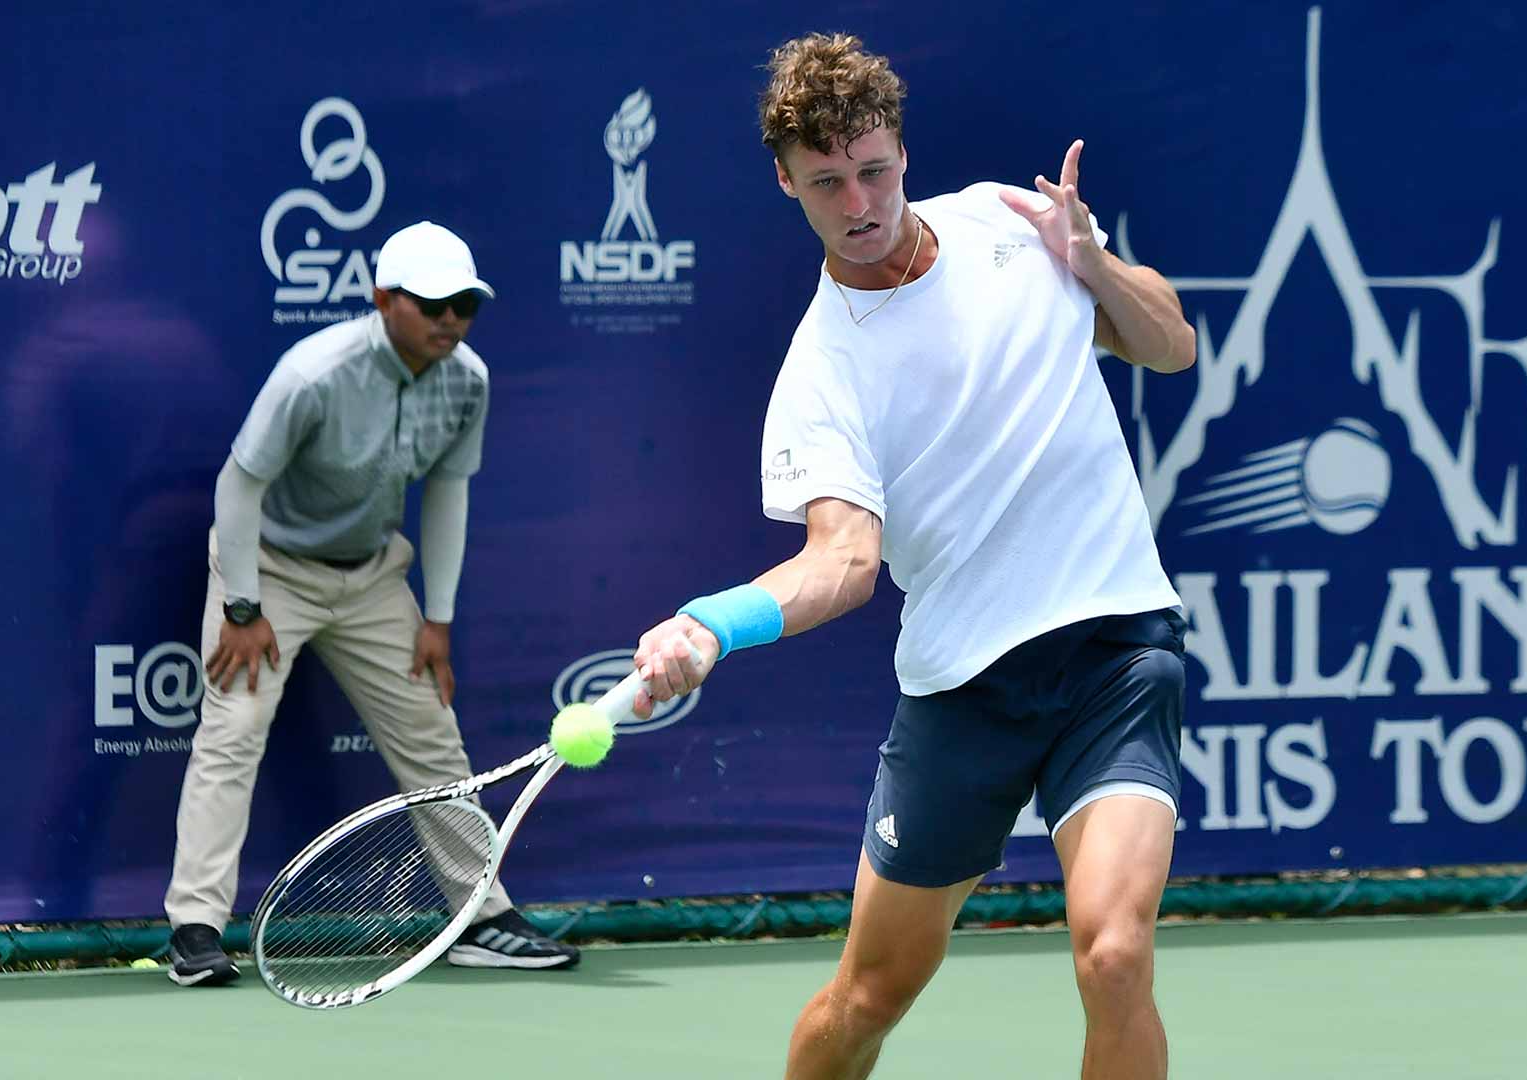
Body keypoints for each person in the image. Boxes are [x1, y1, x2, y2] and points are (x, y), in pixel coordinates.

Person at [628, 33, 1198, 1080]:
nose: (860, 203)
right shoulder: (823, 371)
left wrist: (1092, 261)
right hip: (964, 695)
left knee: (1115, 954)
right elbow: (845, 560)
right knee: (866, 999)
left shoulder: (1013, 225)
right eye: (827, 183)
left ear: (902, 146)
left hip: (1115, 656)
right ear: (788, 184)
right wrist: (713, 622)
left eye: (875, 169)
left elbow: (1170, 344)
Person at [162, 221, 580, 986]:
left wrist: (439, 619)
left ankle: (481, 917)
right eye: (433, 305)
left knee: (433, 739)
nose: (451, 320)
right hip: (268, 571)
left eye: (465, 306)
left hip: (372, 578)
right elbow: (238, 486)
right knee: (235, 729)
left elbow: (449, 491)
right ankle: (195, 928)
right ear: (385, 300)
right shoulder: (313, 373)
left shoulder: (469, 380)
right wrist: (245, 609)